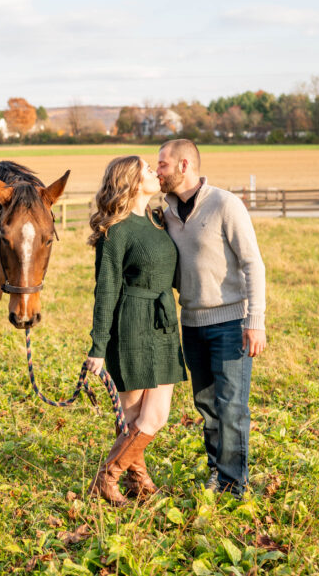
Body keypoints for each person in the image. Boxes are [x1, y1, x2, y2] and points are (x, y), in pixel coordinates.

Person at [156, 139, 267, 497]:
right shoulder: (166, 212)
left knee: (231, 405)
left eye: (162, 165)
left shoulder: (225, 204)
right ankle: (218, 471)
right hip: (191, 323)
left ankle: (234, 485)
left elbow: (253, 264)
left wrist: (255, 321)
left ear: (184, 165)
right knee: (206, 404)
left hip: (231, 323)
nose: (157, 171)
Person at [86, 155, 187, 506]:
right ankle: (128, 480)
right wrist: (98, 347)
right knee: (134, 418)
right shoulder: (117, 230)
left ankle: (118, 478)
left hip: (163, 322)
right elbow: (106, 290)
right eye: (147, 170)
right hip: (130, 323)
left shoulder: (158, 221)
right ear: (130, 181)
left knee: (156, 415)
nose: (155, 173)